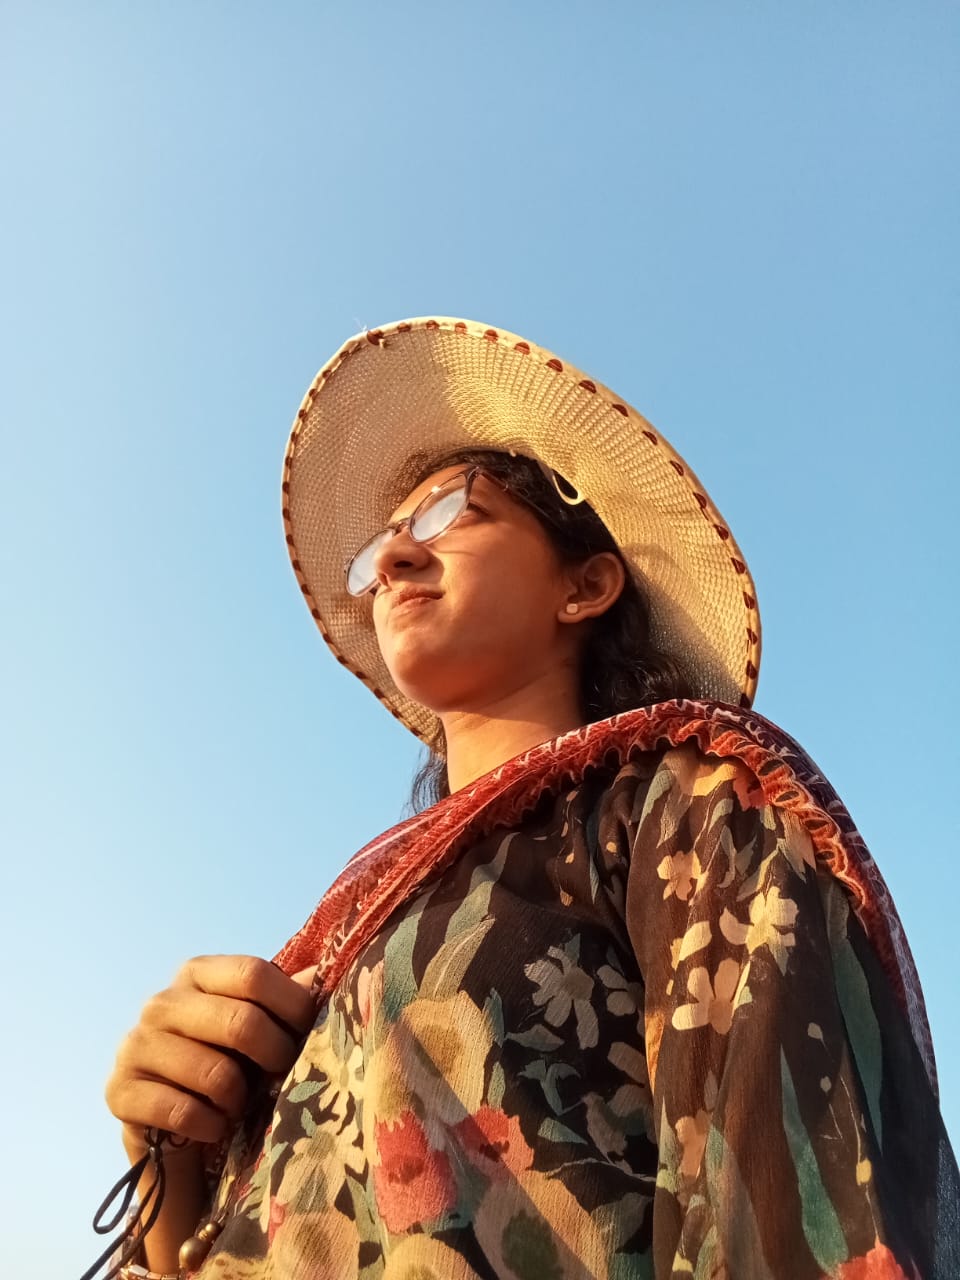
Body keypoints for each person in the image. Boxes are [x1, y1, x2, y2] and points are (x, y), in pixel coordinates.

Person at [96, 317, 959, 1279]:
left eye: (448, 513)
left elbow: (795, 1220)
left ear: (585, 586)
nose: (394, 559)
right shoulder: (347, 937)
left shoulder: (684, 804)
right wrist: (169, 1163)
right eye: (379, 549)